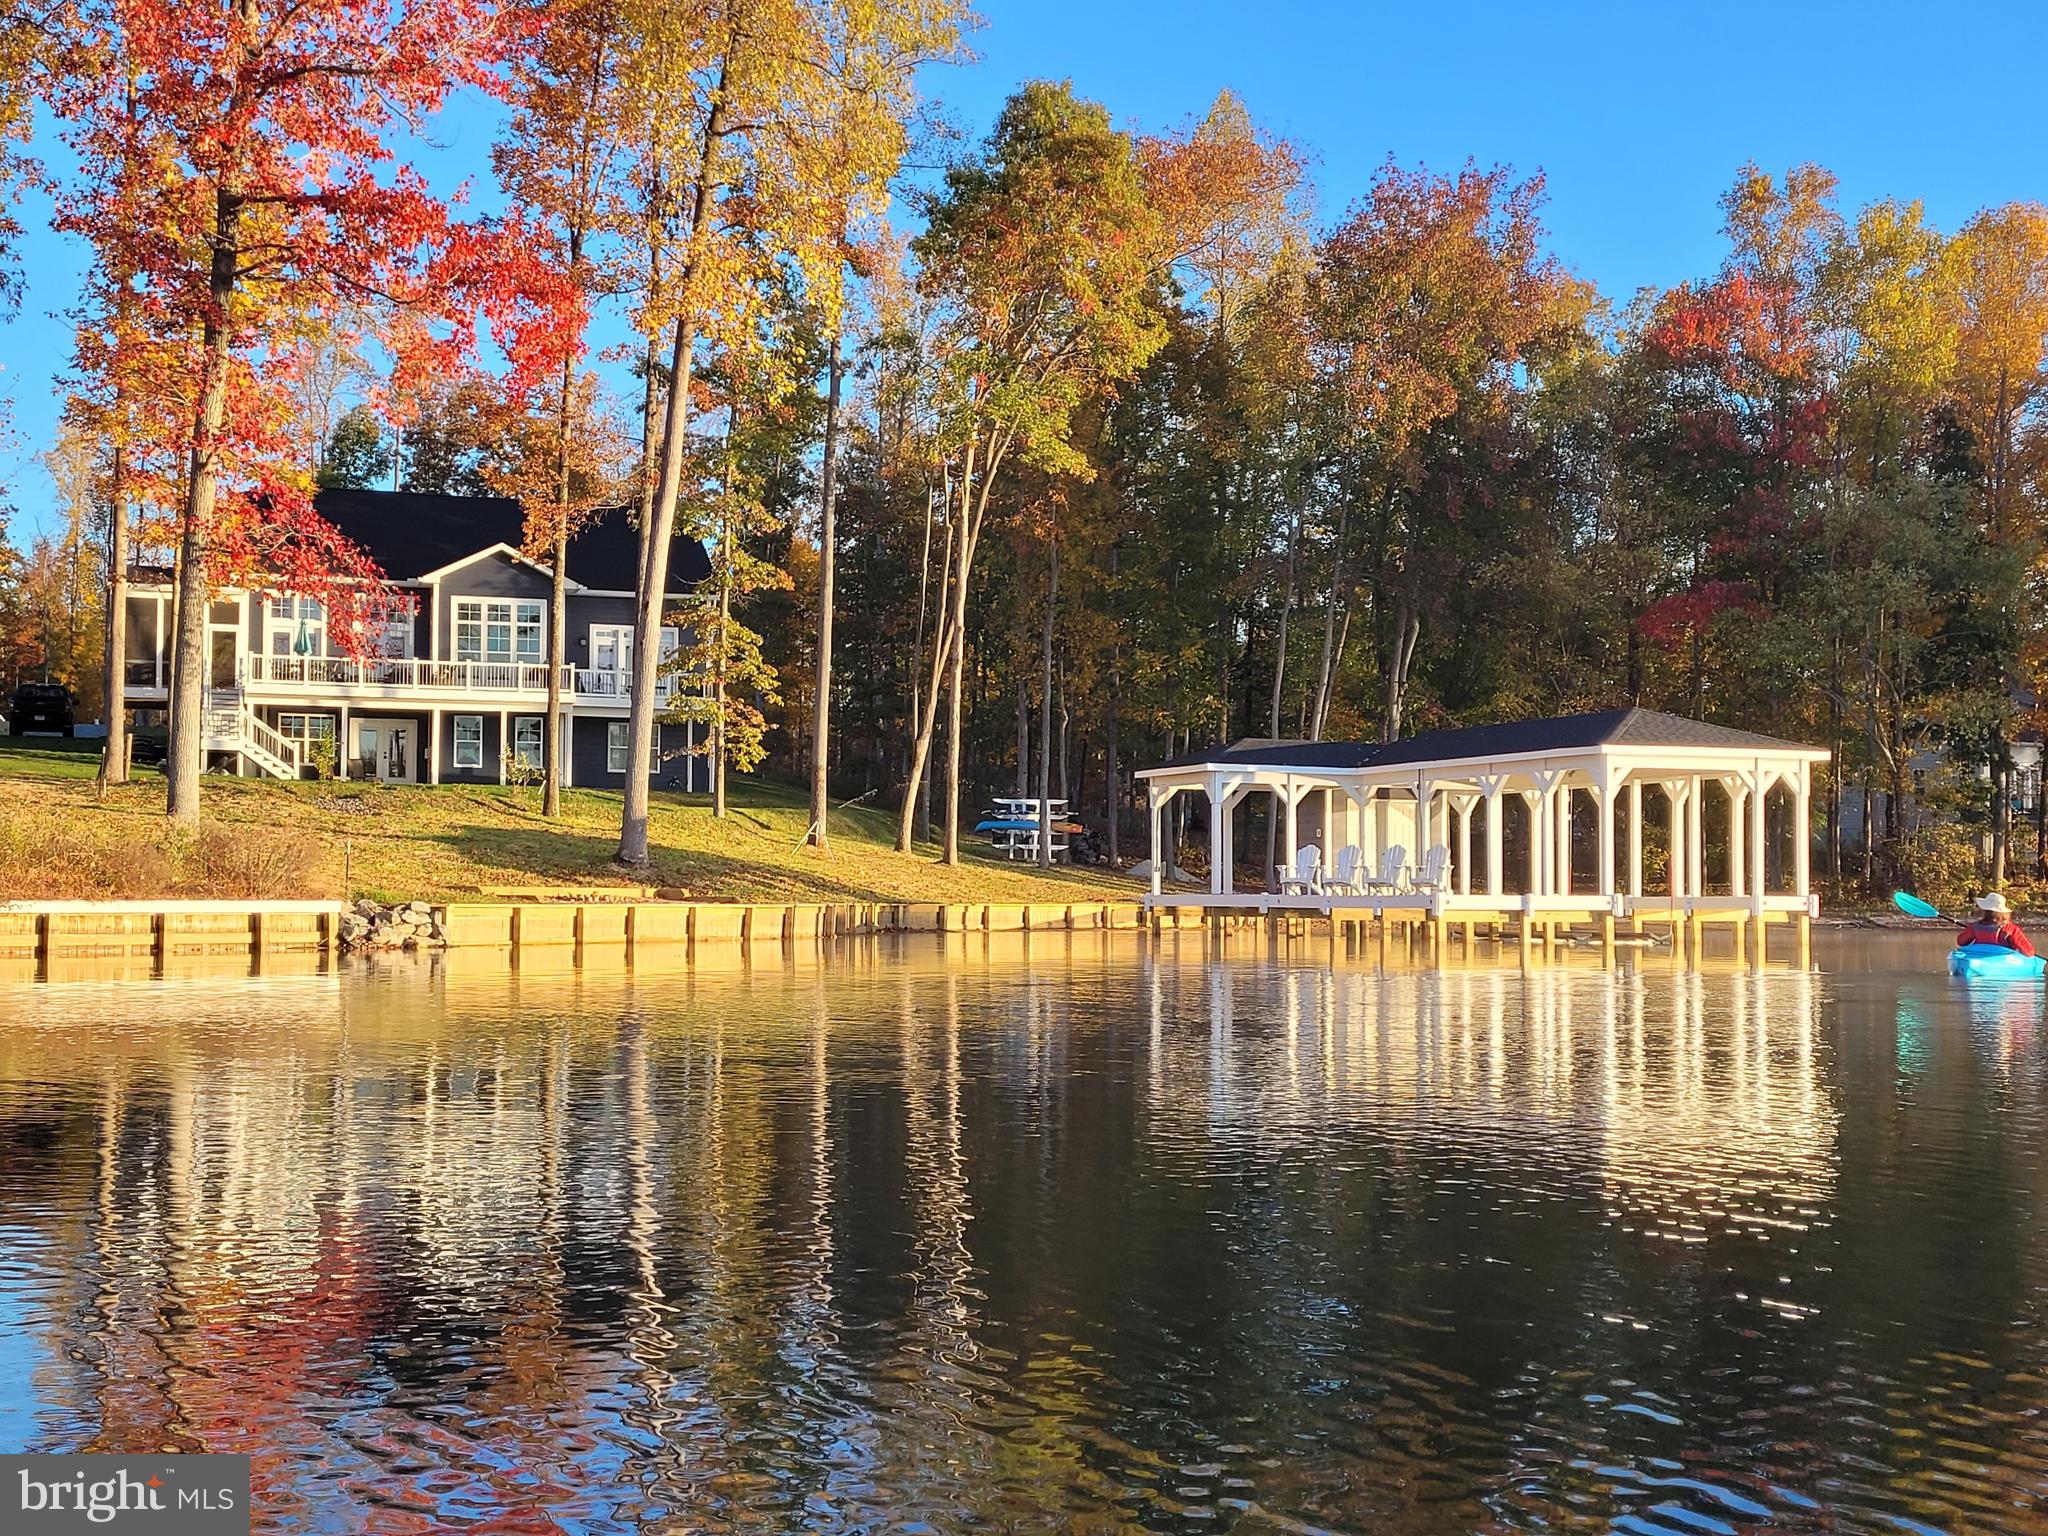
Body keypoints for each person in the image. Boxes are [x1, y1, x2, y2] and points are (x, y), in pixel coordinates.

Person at [1957, 893, 2035, 956]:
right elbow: (2029, 952)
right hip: (2000, 959)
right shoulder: (2011, 929)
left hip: (1978, 956)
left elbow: (1961, 941)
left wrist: (1973, 931)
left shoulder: (1976, 926)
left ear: (1984, 911)